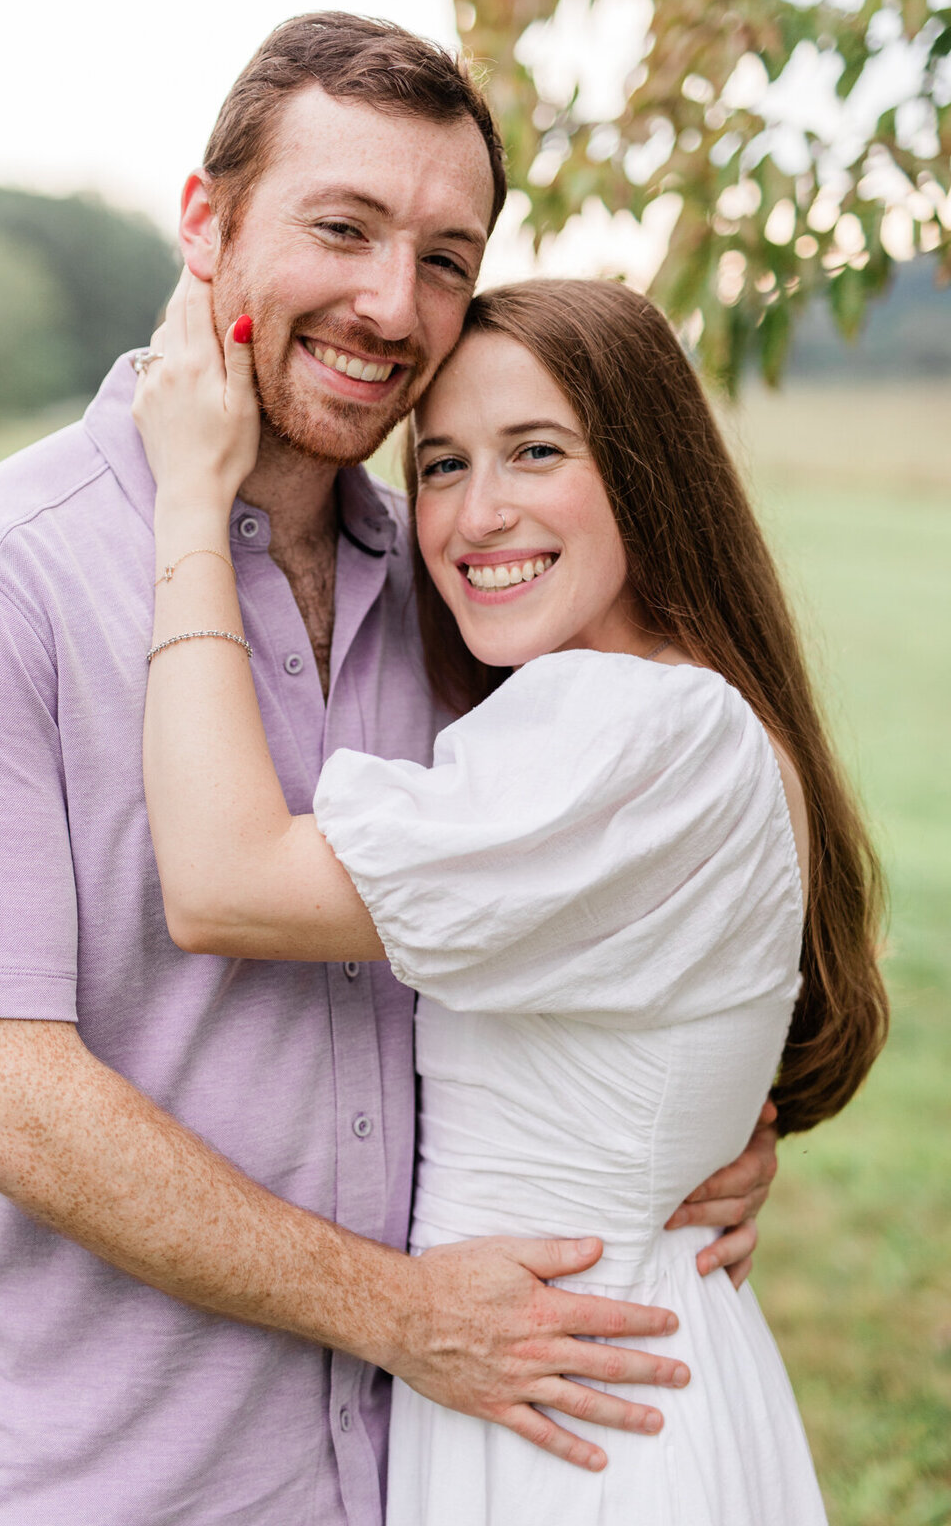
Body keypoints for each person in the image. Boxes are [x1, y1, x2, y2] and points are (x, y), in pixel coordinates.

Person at [0, 14, 778, 1526]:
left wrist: (707, 1123)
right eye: (342, 228)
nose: (389, 304)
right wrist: (398, 1312)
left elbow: (644, 862)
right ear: (207, 222)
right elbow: (7, 1105)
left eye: (443, 257)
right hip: (81, 1487)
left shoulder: (465, 597)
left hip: (392, 1474)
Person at [130, 271, 888, 1524]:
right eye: (439, 465)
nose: (478, 515)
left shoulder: (633, 723)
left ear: (648, 469)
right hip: (593, 1367)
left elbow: (223, 884)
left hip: (579, 1421)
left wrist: (187, 503)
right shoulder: (683, 707)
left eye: (535, 452)